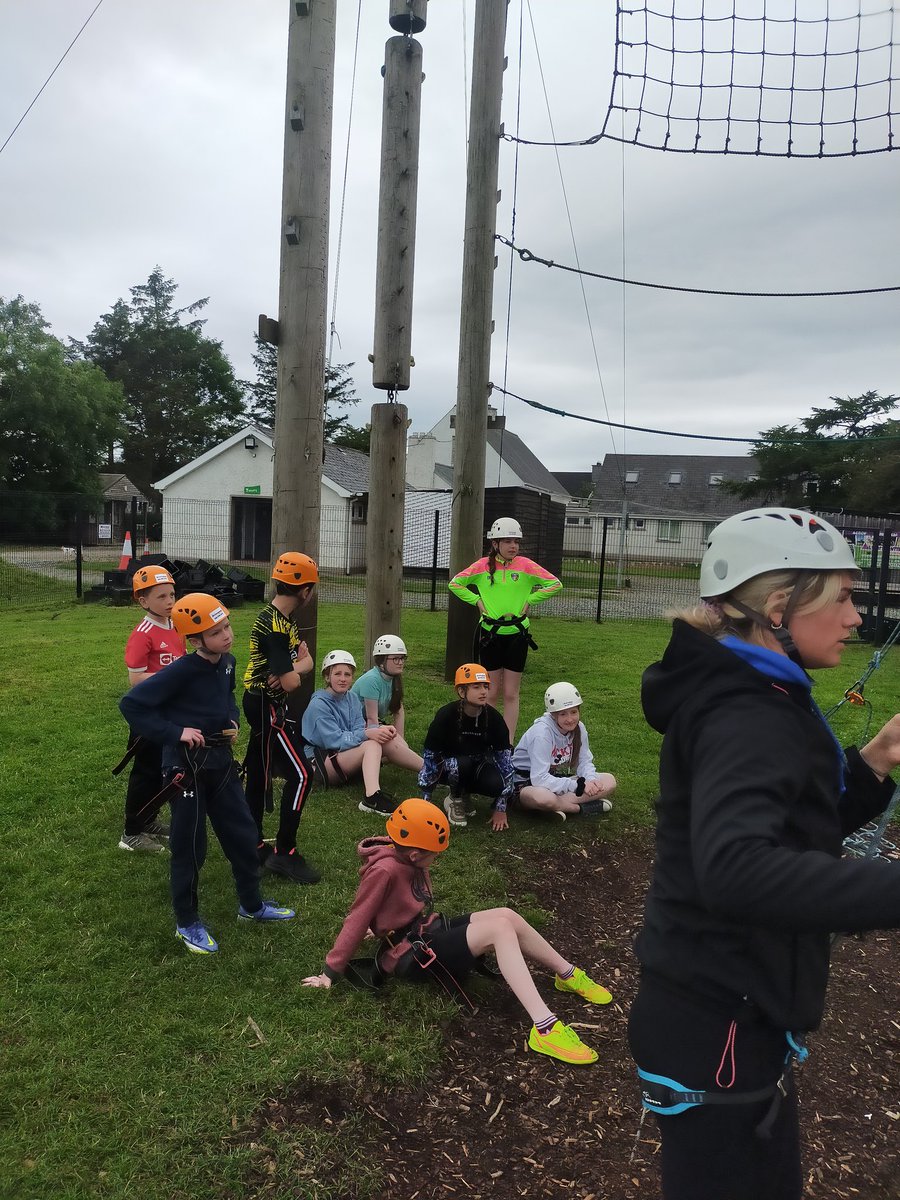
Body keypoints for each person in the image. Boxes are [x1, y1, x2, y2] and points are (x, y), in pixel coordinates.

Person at [626, 508, 900, 1200]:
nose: (856, 617)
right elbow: (739, 870)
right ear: (779, 608)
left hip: (720, 1011)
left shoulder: (751, 688)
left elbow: (788, 826)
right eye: (843, 597)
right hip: (716, 1021)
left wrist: (874, 761)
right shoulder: (747, 711)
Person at [301, 797, 613, 1065]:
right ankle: (545, 1028)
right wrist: (330, 972)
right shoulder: (384, 870)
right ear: (414, 854)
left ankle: (566, 973)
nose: (437, 858)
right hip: (409, 956)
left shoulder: (405, 856)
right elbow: (357, 918)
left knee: (506, 915)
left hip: (423, 931)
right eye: (434, 853)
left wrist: (381, 926)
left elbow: (383, 909)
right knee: (500, 930)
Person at [120, 593, 296, 955]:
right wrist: (175, 732)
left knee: (243, 834)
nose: (227, 635)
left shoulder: (228, 662)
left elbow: (227, 696)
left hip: (220, 764)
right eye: (216, 632)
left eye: (227, 626)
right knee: (190, 845)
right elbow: (132, 704)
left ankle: (251, 905)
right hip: (185, 769)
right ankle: (187, 922)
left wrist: (231, 718)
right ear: (195, 640)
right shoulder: (180, 671)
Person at [242, 551, 320, 884]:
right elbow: (291, 681)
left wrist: (295, 667)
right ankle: (285, 853)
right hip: (265, 706)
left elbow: (304, 662)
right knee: (302, 774)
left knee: (258, 773)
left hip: (264, 703)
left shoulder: (283, 619)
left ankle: (253, 844)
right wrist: (297, 669)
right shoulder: (274, 627)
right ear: (305, 590)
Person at [448, 517, 562, 741]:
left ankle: (507, 744)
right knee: (489, 693)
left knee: (511, 693)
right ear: (495, 543)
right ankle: (489, 738)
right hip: (490, 636)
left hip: (517, 636)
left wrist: (531, 600)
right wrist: (477, 601)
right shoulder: (482, 566)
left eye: (516, 541)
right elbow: (455, 584)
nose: (513, 546)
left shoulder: (526, 565)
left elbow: (555, 584)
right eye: (508, 541)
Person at [117, 565, 186, 852]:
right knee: (145, 772)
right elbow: (136, 680)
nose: (170, 601)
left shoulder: (176, 626)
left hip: (169, 713)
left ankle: (148, 820)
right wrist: (172, 678)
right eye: (161, 597)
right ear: (143, 601)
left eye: (172, 594)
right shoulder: (143, 633)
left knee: (162, 769)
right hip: (148, 715)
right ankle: (131, 833)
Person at [418, 663, 515, 831]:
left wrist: (501, 808)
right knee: (461, 764)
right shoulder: (446, 715)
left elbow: (505, 763)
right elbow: (430, 757)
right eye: (476, 687)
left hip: (478, 764)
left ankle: (465, 794)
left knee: (495, 783)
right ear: (461, 691)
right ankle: (454, 799)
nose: (484, 692)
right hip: (448, 767)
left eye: (486, 686)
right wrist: (425, 799)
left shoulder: (494, 719)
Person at [301, 650, 395, 817]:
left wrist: (377, 731)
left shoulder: (351, 698)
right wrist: (368, 734)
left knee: (386, 738)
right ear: (327, 677)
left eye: (347, 674)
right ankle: (371, 798)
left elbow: (358, 728)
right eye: (337, 674)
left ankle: (429, 771)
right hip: (322, 762)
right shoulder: (318, 705)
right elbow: (334, 740)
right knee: (372, 744)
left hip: (343, 753)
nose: (343, 679)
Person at [512, 682, 617, 818]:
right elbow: (539, 778)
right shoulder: (541, 734)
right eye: (563, 714)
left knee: (609, 780)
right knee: (544, 798)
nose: (570, 719)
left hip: (551, 778)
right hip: (525, 784)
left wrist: (590, 780)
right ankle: (576, 808)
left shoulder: (579, 728)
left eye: (574, 712)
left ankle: (554, 807)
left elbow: (584, 761)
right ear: (553, 715)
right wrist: (578, 786)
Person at [351, 634, 424, 775]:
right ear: (381, 661)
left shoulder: (394, 678)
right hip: (358, 725)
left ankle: (376, 760)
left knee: (401, 746)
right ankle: (430, 771)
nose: (400, 662)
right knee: (397, 747)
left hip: (371, 723)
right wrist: (397, 743)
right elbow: (372, 720)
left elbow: (398, 709)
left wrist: (401, 740)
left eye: (402, 658)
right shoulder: (371, 680)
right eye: (395, 658)